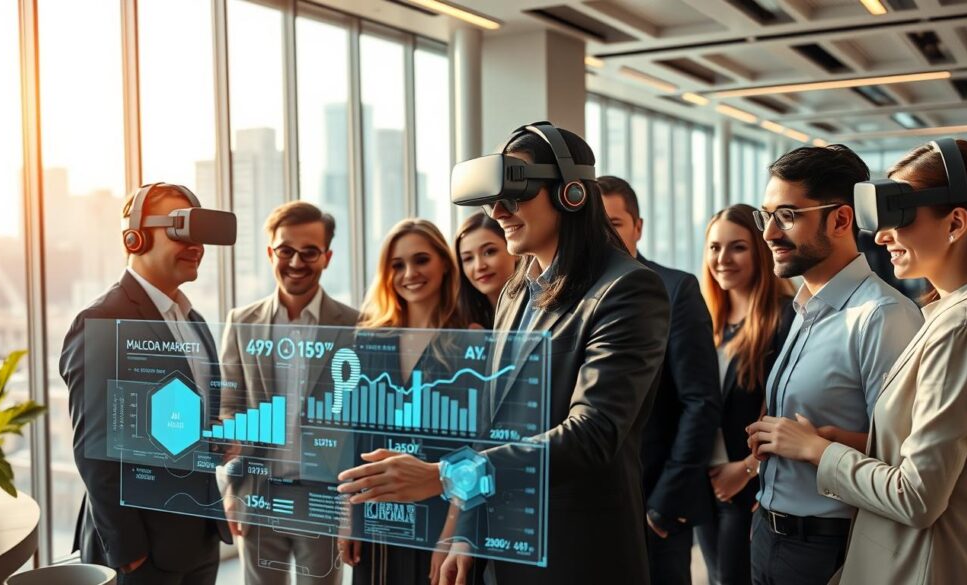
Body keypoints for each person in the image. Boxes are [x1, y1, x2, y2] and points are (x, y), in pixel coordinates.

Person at [336, 122, 670, 585]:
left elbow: (593, 433)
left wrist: (445, 475)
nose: (497, 211)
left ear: (571, 192)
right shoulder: (516, 291)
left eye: (515, 195)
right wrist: (469, 532)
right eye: (494, 199)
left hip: (577, 554)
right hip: (504, 549)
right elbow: (494, 427)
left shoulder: (628, 289)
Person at [750, 139, 967, 584]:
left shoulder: (964, 325)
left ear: (955, 223)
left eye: (899, 214)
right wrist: (851, 442)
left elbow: (917, 495)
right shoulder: (962, 314)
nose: (880, 234)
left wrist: (818, 450)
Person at [744, 145, 923, 585]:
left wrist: (813, 445)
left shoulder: (882, 316)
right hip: (769, 531)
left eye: (786, 215)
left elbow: (909, 463)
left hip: (830, 548)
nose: (768, 233)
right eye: (764, 214)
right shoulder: (806, 307)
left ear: (841, 220)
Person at [61, 183, 233, 584]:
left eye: (200, 234)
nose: (197, 245)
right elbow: (94, 450)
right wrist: (130, 554)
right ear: (135, 236)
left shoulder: (194, 321)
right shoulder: (102, 319)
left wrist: (215, 437)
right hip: (143, 551)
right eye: (181, 230)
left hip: (199, 535)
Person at [219, 201, 358, 585]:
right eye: (285, 250)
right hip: (258, 493)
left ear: (326, 257)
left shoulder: (355, 326)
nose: (296, 261)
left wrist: (351, 509)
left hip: (323, 497)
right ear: (270, 253)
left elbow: (359, 423)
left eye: (309, 251)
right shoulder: (241, 323)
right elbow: (230, 405)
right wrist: (232, 490)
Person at [597, 175, 722, 585]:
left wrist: (665, 505)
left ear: (638, 227)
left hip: (655, 506)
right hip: (594, 511)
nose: (605, 234)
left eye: (614, 223)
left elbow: (700, 401)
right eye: (596, 224)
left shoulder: (675, 289)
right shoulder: (580, 297)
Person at [339, 218, 468, 585]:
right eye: (397, 264)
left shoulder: (469, 343)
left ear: (445, 263)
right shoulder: (367, 341)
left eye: (421, 260)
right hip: (376, 513)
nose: (409, 273)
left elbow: (472, 449)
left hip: (439, 511)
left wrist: (452, 532)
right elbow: (355, 438)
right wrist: (346, 517)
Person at [694, 204, 795, 585]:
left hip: (750, 486)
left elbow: (789, 408)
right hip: (707, 483)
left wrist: (750, 469)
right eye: (714, 248)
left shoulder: (783, 318)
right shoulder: (707, 322)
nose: (723, 259)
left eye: (737, 247)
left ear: (759, 250)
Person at [454, 211, 520, 329]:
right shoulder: (462, 322)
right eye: (468, 258)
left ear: (515, 251)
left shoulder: (532, 313)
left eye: (489, 252)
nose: (479, 266)